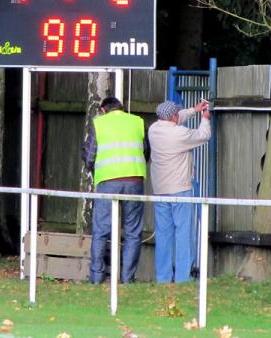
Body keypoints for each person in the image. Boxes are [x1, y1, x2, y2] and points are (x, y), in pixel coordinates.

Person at [82, 96, 149, 284]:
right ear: (121, 107)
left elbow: (90, 155)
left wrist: (91, 168)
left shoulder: (99, 124)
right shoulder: (138, 122)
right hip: (134, 179)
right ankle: (127, 278)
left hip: (107, 180)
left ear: (103, 110)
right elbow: (146, 152)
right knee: (133, 231)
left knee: (101, 229)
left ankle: (96, 277)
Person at [148, 99, 211, 283]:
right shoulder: (180, 134)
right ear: (174, 116)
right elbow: (203, 135)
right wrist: (204, 117)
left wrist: (193, 110)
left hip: (160, 190)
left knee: (163, 235)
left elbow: (174, 118)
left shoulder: (153, 130)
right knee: (183, 233)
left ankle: (163, 278)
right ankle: (183, 278)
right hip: (180, 189)